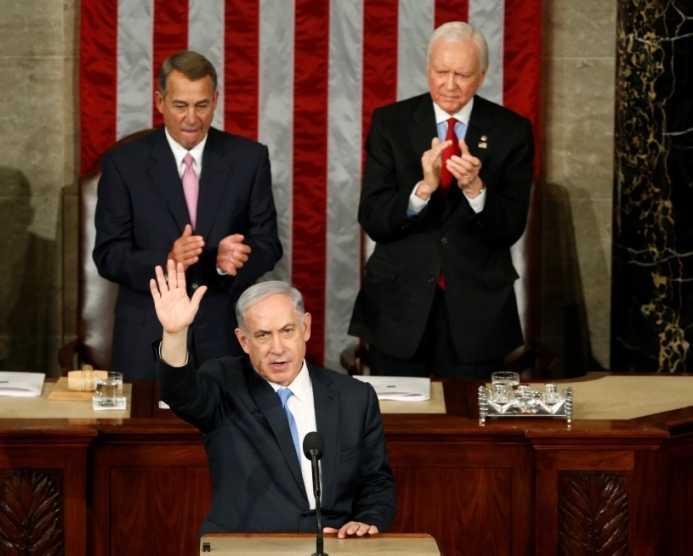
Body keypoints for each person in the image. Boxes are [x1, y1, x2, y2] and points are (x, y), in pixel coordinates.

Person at [151, 259, 397, 537]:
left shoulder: (354, 397)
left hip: (332, 546)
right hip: (246, 547)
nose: (277, 348)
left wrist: (367, 520)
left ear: (305, 328)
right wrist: (175, 334)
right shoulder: (224, 383)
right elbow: (179, 393)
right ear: (244, 341)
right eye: (263, 335)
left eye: (287, 331)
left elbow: (376, 482)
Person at [349, 22, 535, 379]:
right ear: (427, 69)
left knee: (471, 431)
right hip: (397, 309)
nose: (450, 85)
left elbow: (510, 227)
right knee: (398, 431)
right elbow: (372, 216)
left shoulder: (512, 130)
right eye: (441, 72)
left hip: (477, 313)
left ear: (482, 75)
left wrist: (475, 189)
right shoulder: (391, 123)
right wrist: (421, 190)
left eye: (463, 74)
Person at [94, 51, 282, 379]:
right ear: (160, 100)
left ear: (216, 99)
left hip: (224, 333)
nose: (191, 118)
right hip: (146, 336)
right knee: (145, 431)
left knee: (227, 428)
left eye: (202, 105)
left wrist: (232, 263)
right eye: (180, 106)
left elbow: (268, 244)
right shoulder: (123, 164)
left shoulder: (248, 159)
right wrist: (168, 259)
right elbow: (108, 255)